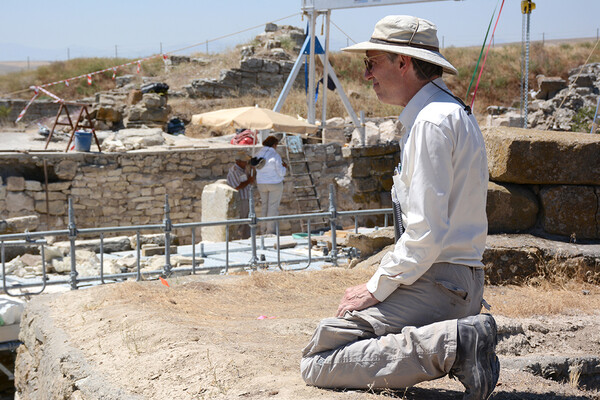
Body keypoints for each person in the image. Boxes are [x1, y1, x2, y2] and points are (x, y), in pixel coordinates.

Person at [300, 15, 500, 400]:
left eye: (372, 62)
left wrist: (374, 287)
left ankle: (454, 344)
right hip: (452, 280)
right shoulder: (447, 113)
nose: (366, 75)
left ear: (403, 62)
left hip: (439, 281)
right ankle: (456, 340)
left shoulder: (431, 122)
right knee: (332, 337)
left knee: (318, 360)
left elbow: (426, 233)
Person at [255, 135, 287, 235]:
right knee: (272, 207)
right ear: (274, 145)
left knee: (264, 206)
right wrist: (285, 167)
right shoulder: (275, 156)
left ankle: (263, 229)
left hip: (261, 183)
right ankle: (270, 231)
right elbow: (281, 172)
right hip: (274, 183)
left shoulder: (258, 154)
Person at [226, 151, 254, 239]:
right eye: (244, 161)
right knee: (242, 219)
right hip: (241, 199)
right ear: (238, 161)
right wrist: (249, 180)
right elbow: (237, 187)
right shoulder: (234, 171)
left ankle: (246, 237)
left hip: (247, 197)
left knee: (248, 219)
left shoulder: (244, 169)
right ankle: (238, 237)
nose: (246, 163)